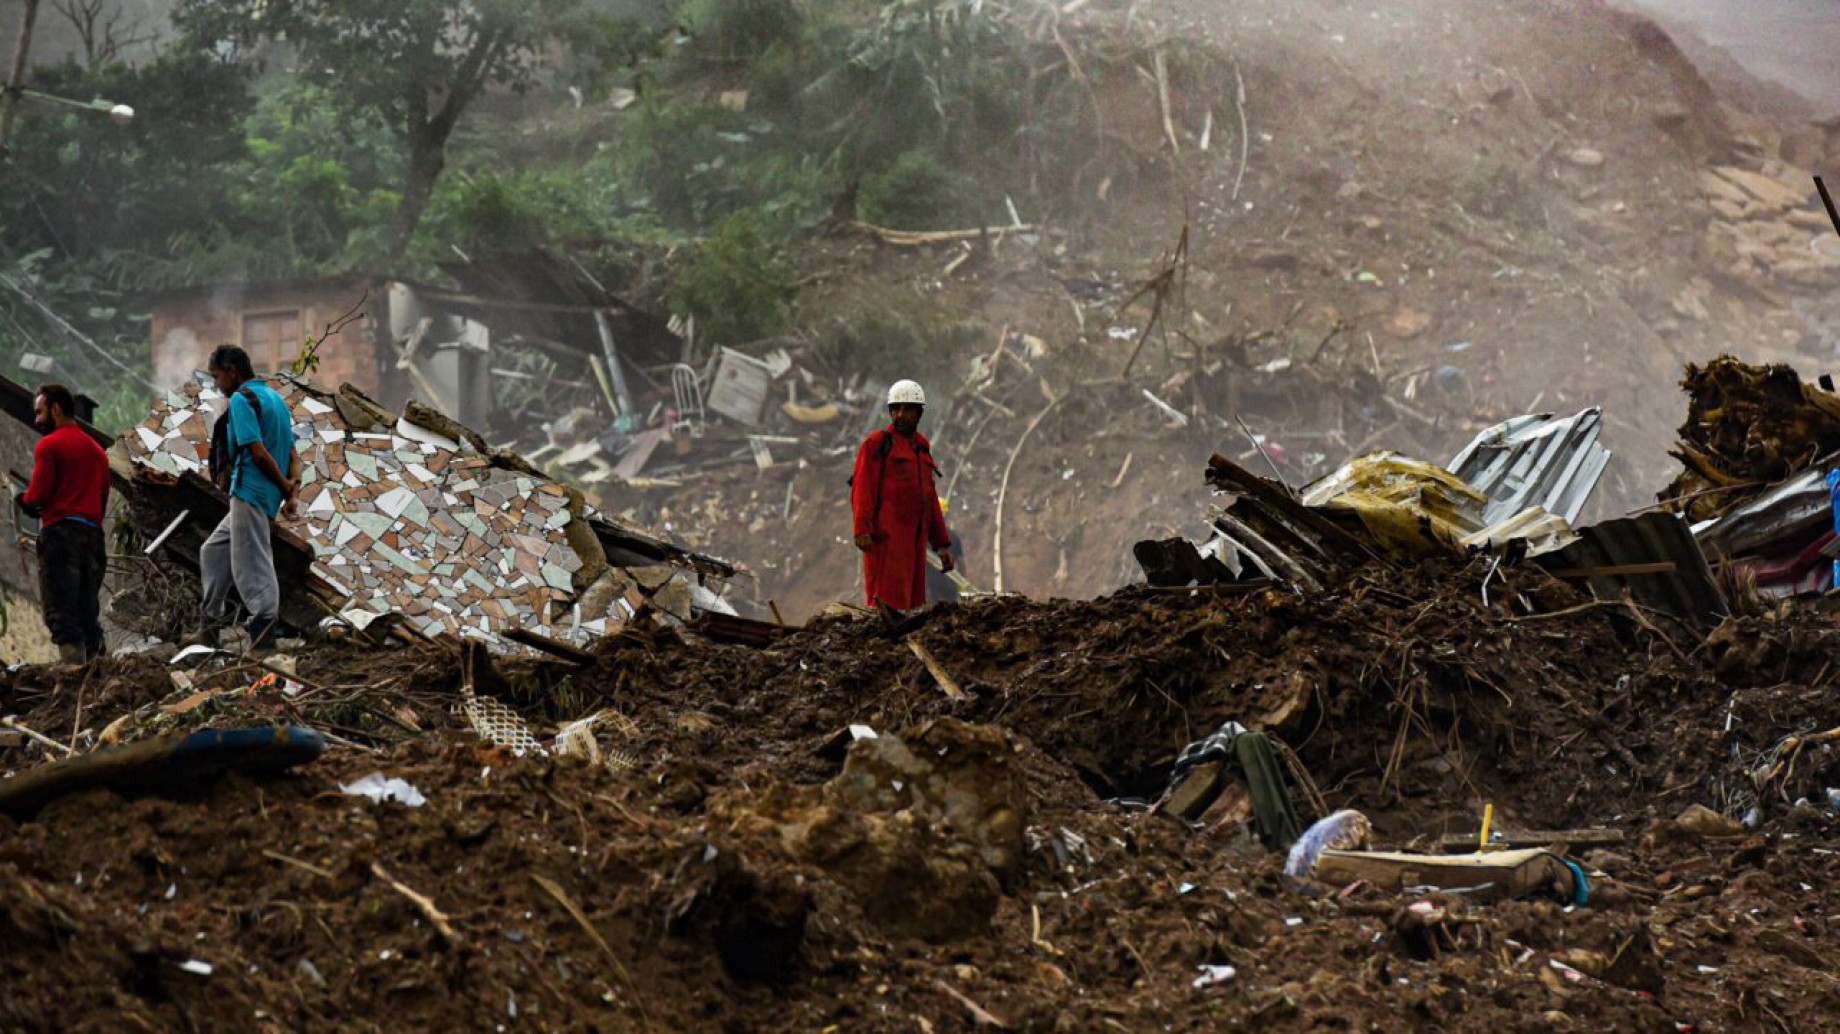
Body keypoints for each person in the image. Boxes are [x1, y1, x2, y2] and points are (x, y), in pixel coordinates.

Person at [198, 345, 299, 649]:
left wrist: (284, 488)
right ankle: (210, 624)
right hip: (260, 495)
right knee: (213, 551)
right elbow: (294, 455)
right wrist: (292, 489)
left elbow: (257, 452)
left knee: (252, 568)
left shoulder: (243, 399)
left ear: (232, 371)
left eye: (217, 376)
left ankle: (264, 640)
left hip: (250, 492)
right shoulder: (275, 400)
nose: (217, 384)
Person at [19, 384, 109, 663]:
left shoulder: (49, 445)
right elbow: (101, 499)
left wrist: (25, 500)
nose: (37, 420)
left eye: (40, 412)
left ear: (55, 408)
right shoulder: (98, 452)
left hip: (61, 536)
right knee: (86, 609)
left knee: (61, 608)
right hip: (93, 538)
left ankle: (72, 670)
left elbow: (38, 495)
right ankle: (95, 669)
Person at [851, 379, 954, 611]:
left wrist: (941, 544)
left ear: (919, 413)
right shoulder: (876, 444)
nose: (900, 415)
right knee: (887, 602)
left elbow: (929, 498)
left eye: (907, 409)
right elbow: (862, 489)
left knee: (912, 603)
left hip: (915, 542)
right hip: (886, 539)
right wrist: (862, 529)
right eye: (895, 409)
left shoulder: (921, 448)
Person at [926, 496, 965, 605]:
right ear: (946, 516)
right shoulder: (954, 537)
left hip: (931, 588)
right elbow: (961, 564)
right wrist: (962, 584)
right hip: (951, 585)